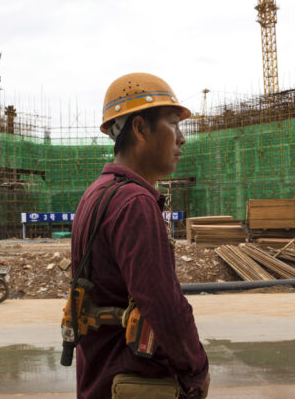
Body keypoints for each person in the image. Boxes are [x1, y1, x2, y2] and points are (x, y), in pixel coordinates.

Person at [69, 73, 210, 398]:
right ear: (140, 128)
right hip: (133, 382)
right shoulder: (135, 203)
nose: (181, 139)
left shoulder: (97, 193)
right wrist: (196, 369)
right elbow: (163, 304)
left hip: (100, 380)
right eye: (173, 124)